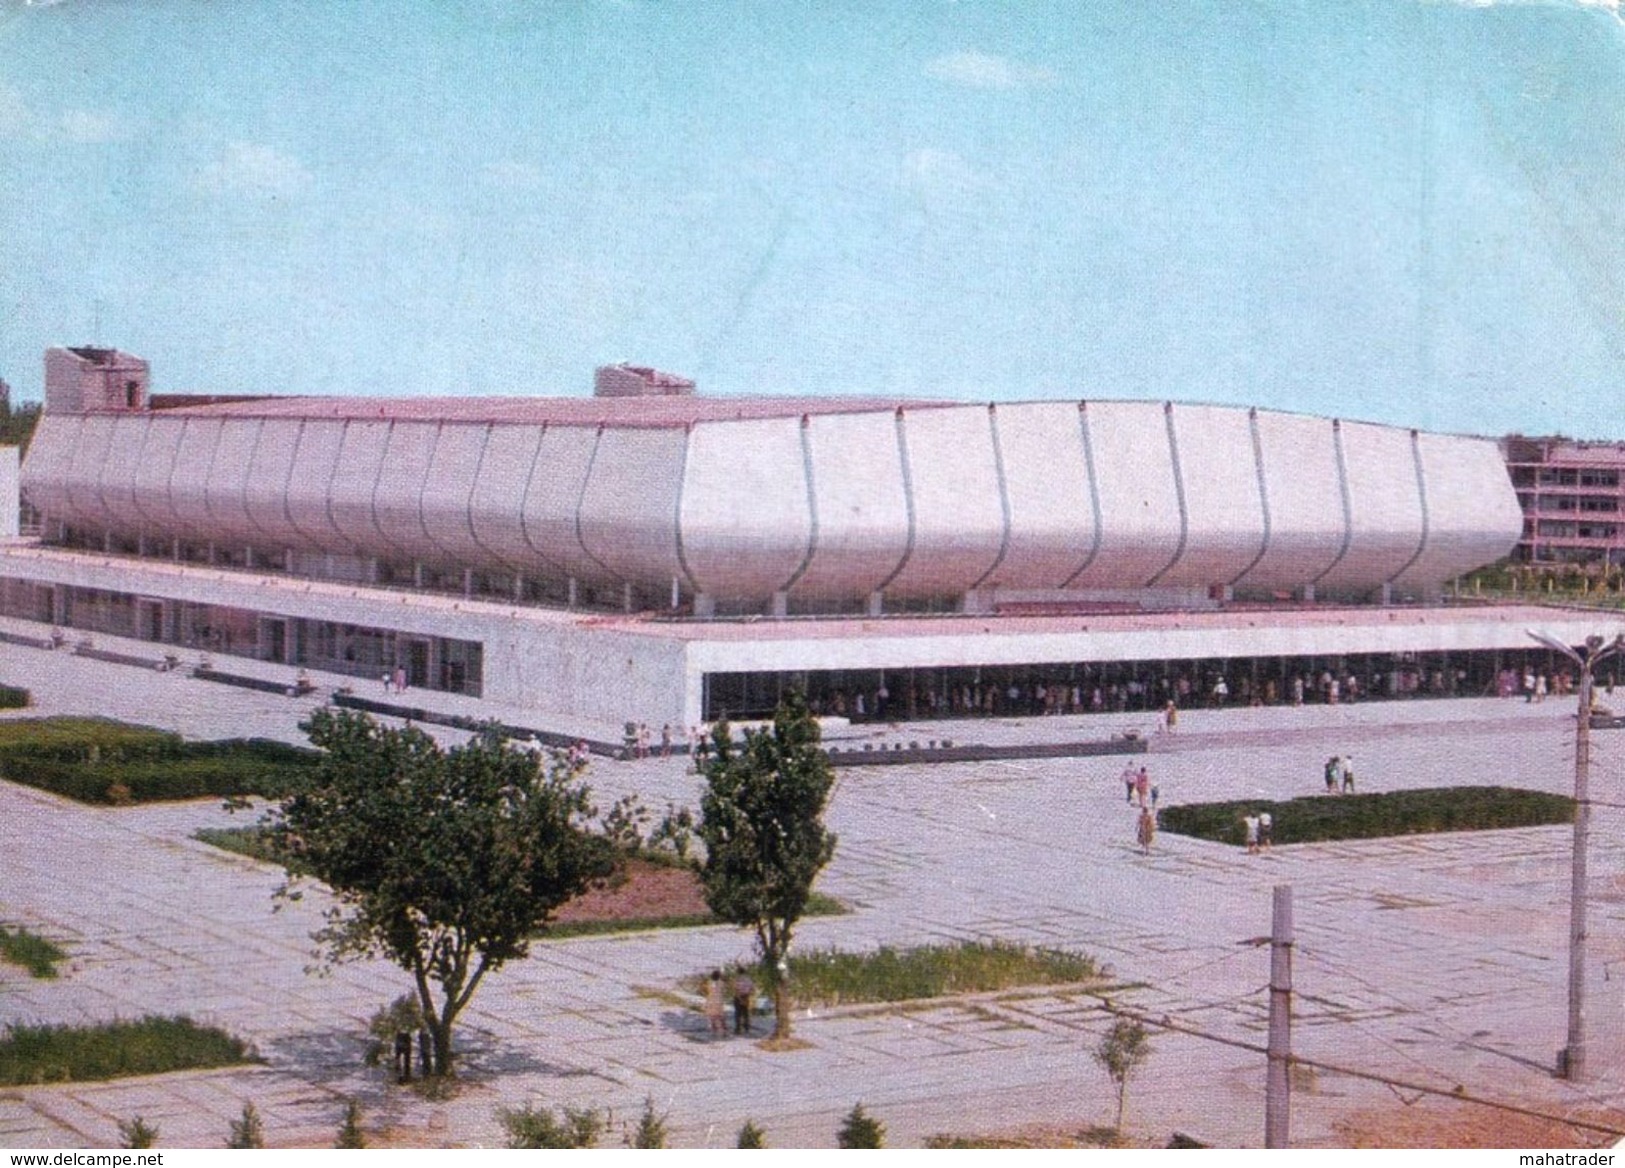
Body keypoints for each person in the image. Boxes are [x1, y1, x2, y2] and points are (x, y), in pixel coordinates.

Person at [732, 965, 756, 1035]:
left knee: (738, 1013)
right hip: (746, 996)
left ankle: (738, 1029)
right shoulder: (749, 979)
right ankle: (746, 1028)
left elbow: (736, 989)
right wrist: (748, 994)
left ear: (738, 972)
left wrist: (739, 997)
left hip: (738, 997)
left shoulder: (737, 979)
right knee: (745, 1013)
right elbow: (752, 989)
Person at [705, 970, 727, 1036]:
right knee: (720, 1017)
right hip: (719, 1001)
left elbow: (708, 991)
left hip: (711, 1001)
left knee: (712, 1017)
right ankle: (723, 1031)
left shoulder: (710, 983)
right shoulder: (721, 983)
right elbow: (724, 990)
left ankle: (713, 1031)